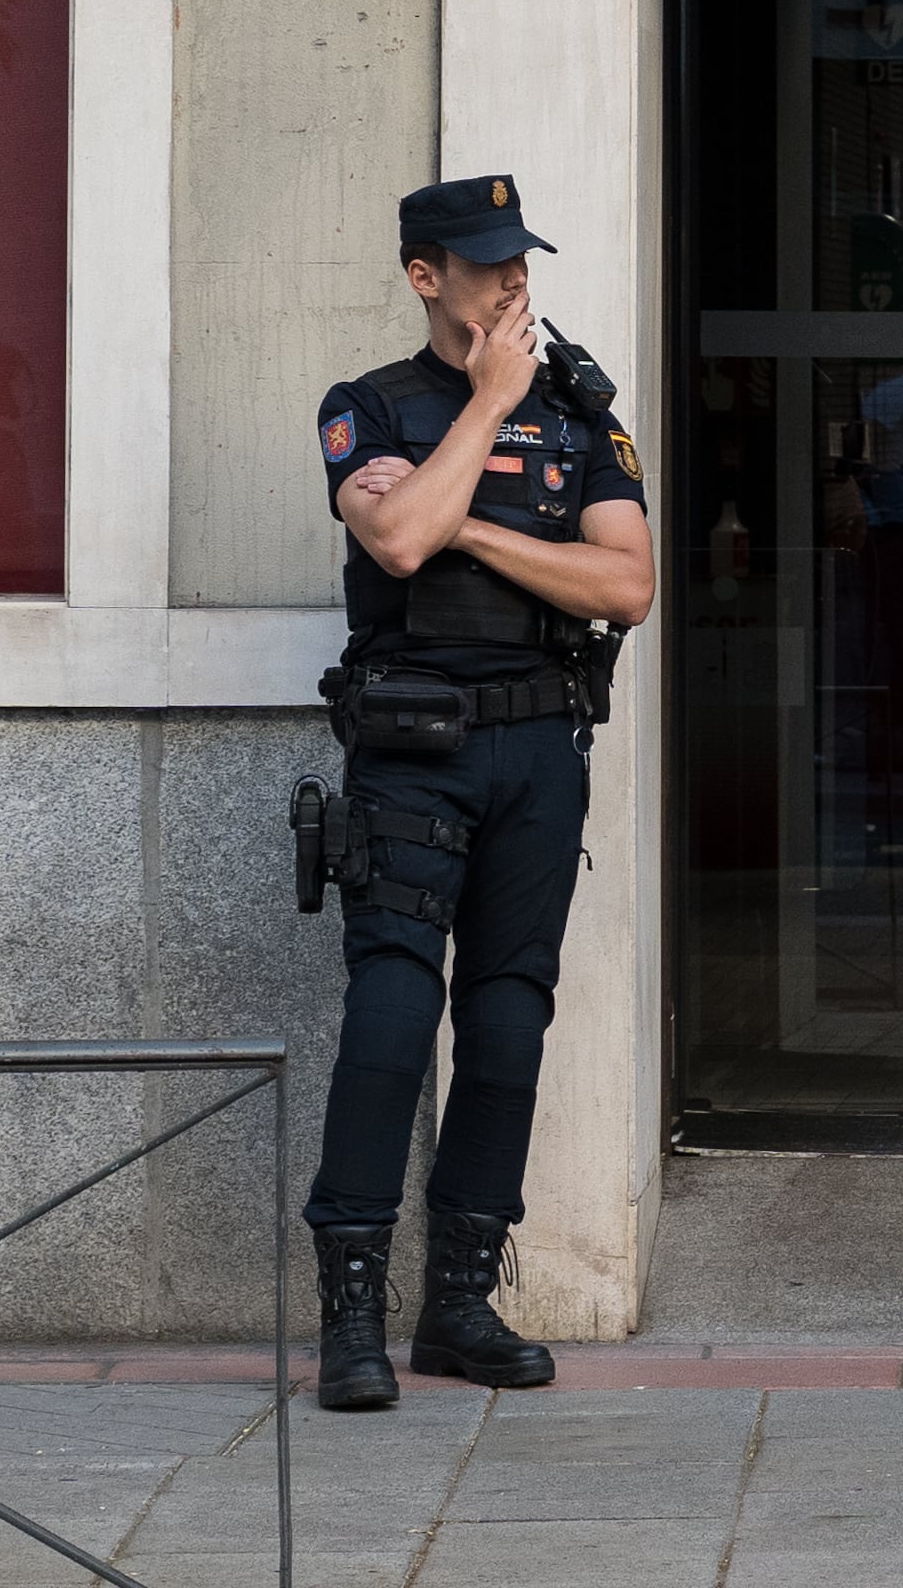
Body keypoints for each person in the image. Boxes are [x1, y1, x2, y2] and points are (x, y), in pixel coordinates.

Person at [300, 175, 656, 1411]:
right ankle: (352, 1309)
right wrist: (485, 408)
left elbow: (626, 585)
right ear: (424, 276)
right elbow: (393, 541)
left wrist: (476, 528)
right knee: (394, 1013)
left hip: (538, 750)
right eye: (487, 262)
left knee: (509, 1023)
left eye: (522, 261)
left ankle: (457, 1301)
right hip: (413, 751)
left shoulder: (579, 412)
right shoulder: (371, 406)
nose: (512, 282)